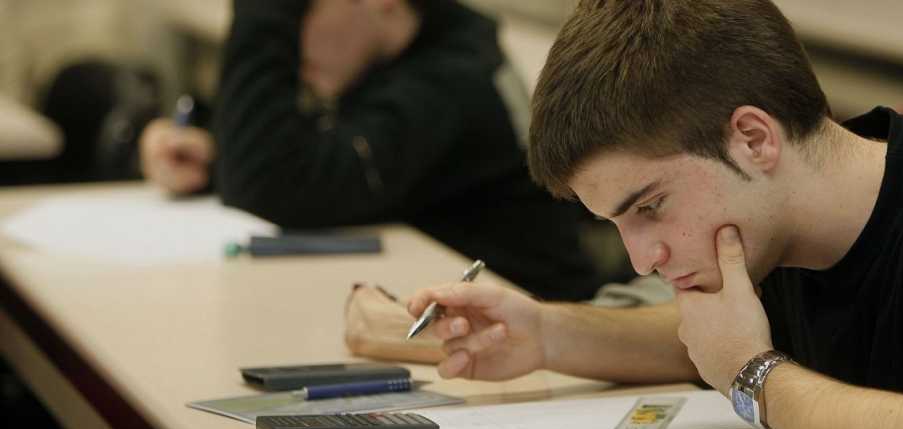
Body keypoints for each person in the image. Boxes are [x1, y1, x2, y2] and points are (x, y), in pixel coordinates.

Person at [407, 1, 903, 429]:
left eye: (649, 207)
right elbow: (716, 339)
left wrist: (752, 375)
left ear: (754, 139)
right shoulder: (784, 220)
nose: (642, 258)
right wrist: (548, 336)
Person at [138, 0, 605, 300]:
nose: (285, 36)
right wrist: (210, 160)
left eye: (295, 10)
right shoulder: (411, 54)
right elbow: (300, 166)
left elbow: (273, 184)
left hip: (542, 357)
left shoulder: (454, 82)